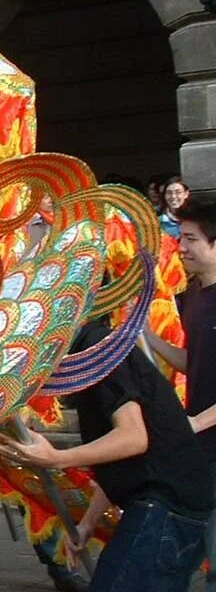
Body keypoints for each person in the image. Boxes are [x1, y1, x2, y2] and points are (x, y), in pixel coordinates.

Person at [0, 321, 213, 591]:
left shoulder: (97, 347)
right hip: (165, 499)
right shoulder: (91, 350)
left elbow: (134, 437)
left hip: (168, 502)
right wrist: (88, 522)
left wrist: (56, 458)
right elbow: (120, 458)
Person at [143, 196, 216, 590]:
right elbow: (194, 362)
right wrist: (148, 338)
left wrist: (195, 423)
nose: (180, 247)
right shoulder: (196, 299)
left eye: (190, 239)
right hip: (202, 446)